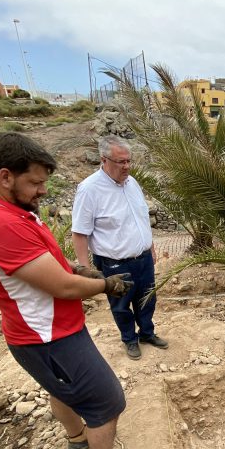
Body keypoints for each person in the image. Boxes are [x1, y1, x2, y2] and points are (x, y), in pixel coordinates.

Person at [0, 132, 143, 449]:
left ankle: (77, 438)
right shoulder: (1, 224)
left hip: (43, 331)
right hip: (48, 337)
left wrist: (82, 272)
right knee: (107, 401)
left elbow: (47, 267)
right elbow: (62, 287)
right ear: (5, 177)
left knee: (62, 390)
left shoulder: (4, 210)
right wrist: (103, 285)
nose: (42, 191)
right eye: (35, 182)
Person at [71, 136, 167, 360]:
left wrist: (150, 247)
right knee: (121, 305)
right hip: (114, 263)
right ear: (104, 160)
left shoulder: (132, 183)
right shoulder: (89, 190)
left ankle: (146, 333)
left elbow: (141, 218)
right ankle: (129, 340)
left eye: (129, 161)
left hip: (143, 259)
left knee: (147, 299)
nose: (127, 166)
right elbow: (79, 232)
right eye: (121, 162)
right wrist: (85, 270)